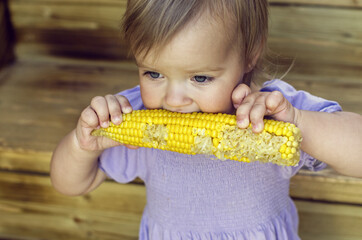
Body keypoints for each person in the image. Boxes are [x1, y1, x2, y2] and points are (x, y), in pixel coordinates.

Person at [50, 0, 362, 239]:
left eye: (200, 77)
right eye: (153, 73)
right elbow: (69, 184)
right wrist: (81, 146)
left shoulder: (273, 112)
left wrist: (300, 123)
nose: (173, 100)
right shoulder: (134, 115)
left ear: (250, 54)